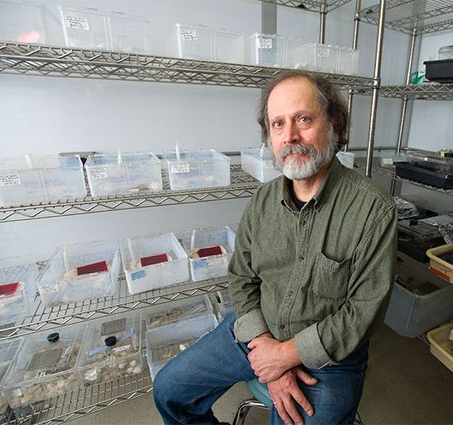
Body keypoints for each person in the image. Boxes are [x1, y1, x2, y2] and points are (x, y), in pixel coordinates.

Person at [153, 70, 397, 425]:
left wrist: (285, 356)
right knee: (169, 390)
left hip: (327, 356)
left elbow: (363, 312)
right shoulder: (262, 201)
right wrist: (267, 353)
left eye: (303, 119)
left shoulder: (373, 209)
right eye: (277, 125)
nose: (290, 136)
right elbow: (241, 278)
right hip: (257, 332)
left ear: (335, 126)